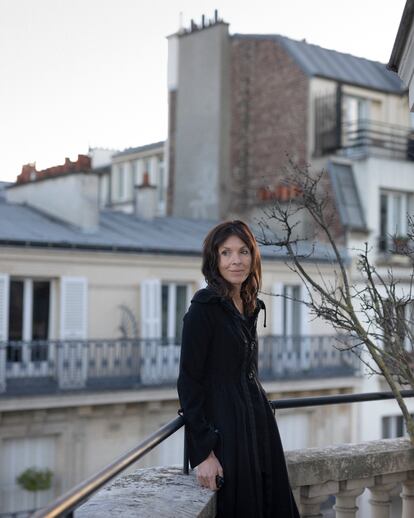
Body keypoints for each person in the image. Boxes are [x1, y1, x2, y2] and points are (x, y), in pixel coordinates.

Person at [177, 220, 300, 518]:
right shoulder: (203, 309)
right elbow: (188, 383)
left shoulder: (248, 304)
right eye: (226, 253)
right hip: (227, 428)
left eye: (243, 252)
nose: (236, 261)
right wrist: (203, 453)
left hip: (258, 423)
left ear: (253, 257)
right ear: (214, 259)